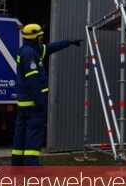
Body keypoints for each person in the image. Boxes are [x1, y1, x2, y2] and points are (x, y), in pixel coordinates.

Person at [11, 24, 82, 167]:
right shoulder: (30, 54)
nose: (42, 37)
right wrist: (40, 101)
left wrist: (68, 42)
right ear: (34, 37)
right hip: (33, 103)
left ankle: (17, 166)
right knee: (34, 133)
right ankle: (32, 167)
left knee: (21, 134)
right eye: (40, 35)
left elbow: (49, 48)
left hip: (24, 103)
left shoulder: (28, 50)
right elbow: (33, 80)